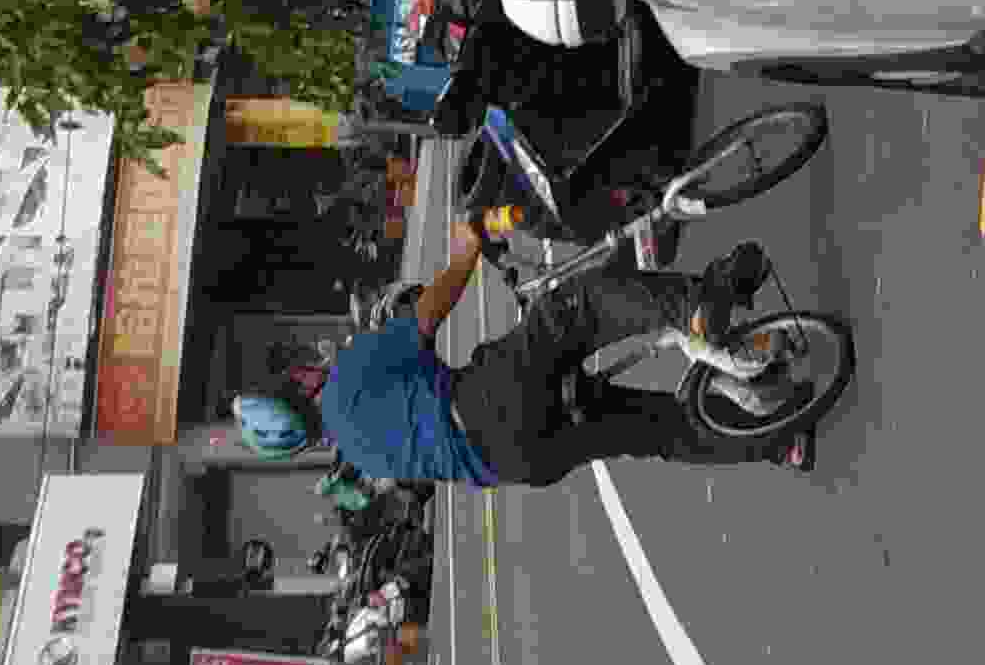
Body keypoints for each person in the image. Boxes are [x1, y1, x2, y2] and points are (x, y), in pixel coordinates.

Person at [317, 209, 780, 488]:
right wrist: (466, 252)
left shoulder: (357, 453)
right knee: (574, 309)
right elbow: (426, 315)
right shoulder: (348, 374)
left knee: (656, 430)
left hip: (516, 463)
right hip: (485, 403)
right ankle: (692, 305)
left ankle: (779, 438)